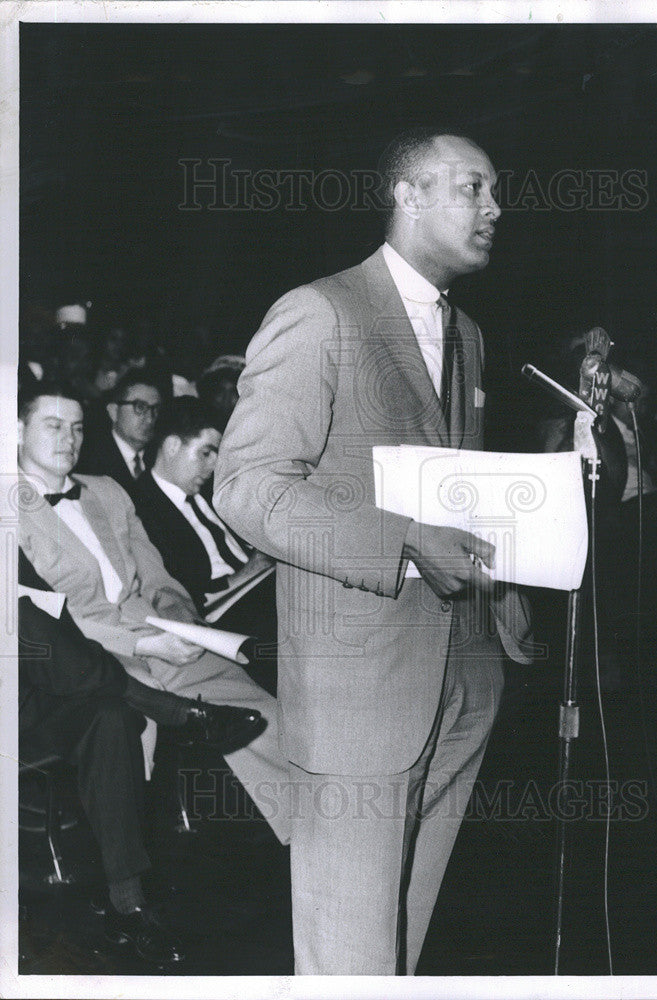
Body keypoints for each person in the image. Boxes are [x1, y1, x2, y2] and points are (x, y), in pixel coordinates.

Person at [214, 128, 535, 975]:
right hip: (360, 694)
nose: (495, 208)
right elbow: (247, 487)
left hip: (462, 678)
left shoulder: (465, 336)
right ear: (409, 196)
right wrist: (399, 545)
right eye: (474, 187)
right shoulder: (319, 311)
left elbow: (450, 492)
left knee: (401, 942)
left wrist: (505, 588)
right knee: (348, 950)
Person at [16, 382, 290, 846]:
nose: (70, 440)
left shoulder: (108, 492)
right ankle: (126, 862)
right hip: (85, 652)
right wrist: (141, 645)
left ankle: (318, 833)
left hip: (157, 632)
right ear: (18, 430)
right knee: (134, 717)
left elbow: (156, 577)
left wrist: (180, 614)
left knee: (261, 709)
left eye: (79, 428)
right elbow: (39, 618)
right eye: (54, 426)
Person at [131, 396, 275, 641]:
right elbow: (182, 593)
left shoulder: (210, 491)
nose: (213, 465)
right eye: (206, 453)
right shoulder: (141, 507)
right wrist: (249, 572)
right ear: (172, 446)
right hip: (226, 615)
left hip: (262, 586)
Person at [75, 367, 169, 494]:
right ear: (113, 411)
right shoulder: (87, 461)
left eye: (155, 409)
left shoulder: (161, 458)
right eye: (140, 407)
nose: (149, 419)